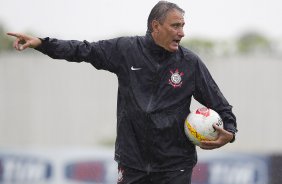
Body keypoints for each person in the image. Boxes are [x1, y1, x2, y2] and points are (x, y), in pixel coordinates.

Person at [7, 1, 237, 183]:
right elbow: (83, 50)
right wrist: (42, 43)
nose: (182, 32)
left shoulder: (190, 63)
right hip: (132, 163)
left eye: (183, 26)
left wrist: (230, 131)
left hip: (175, 166)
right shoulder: (126, 50)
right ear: (156, 26)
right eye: (176, 26)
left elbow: (221, 105)